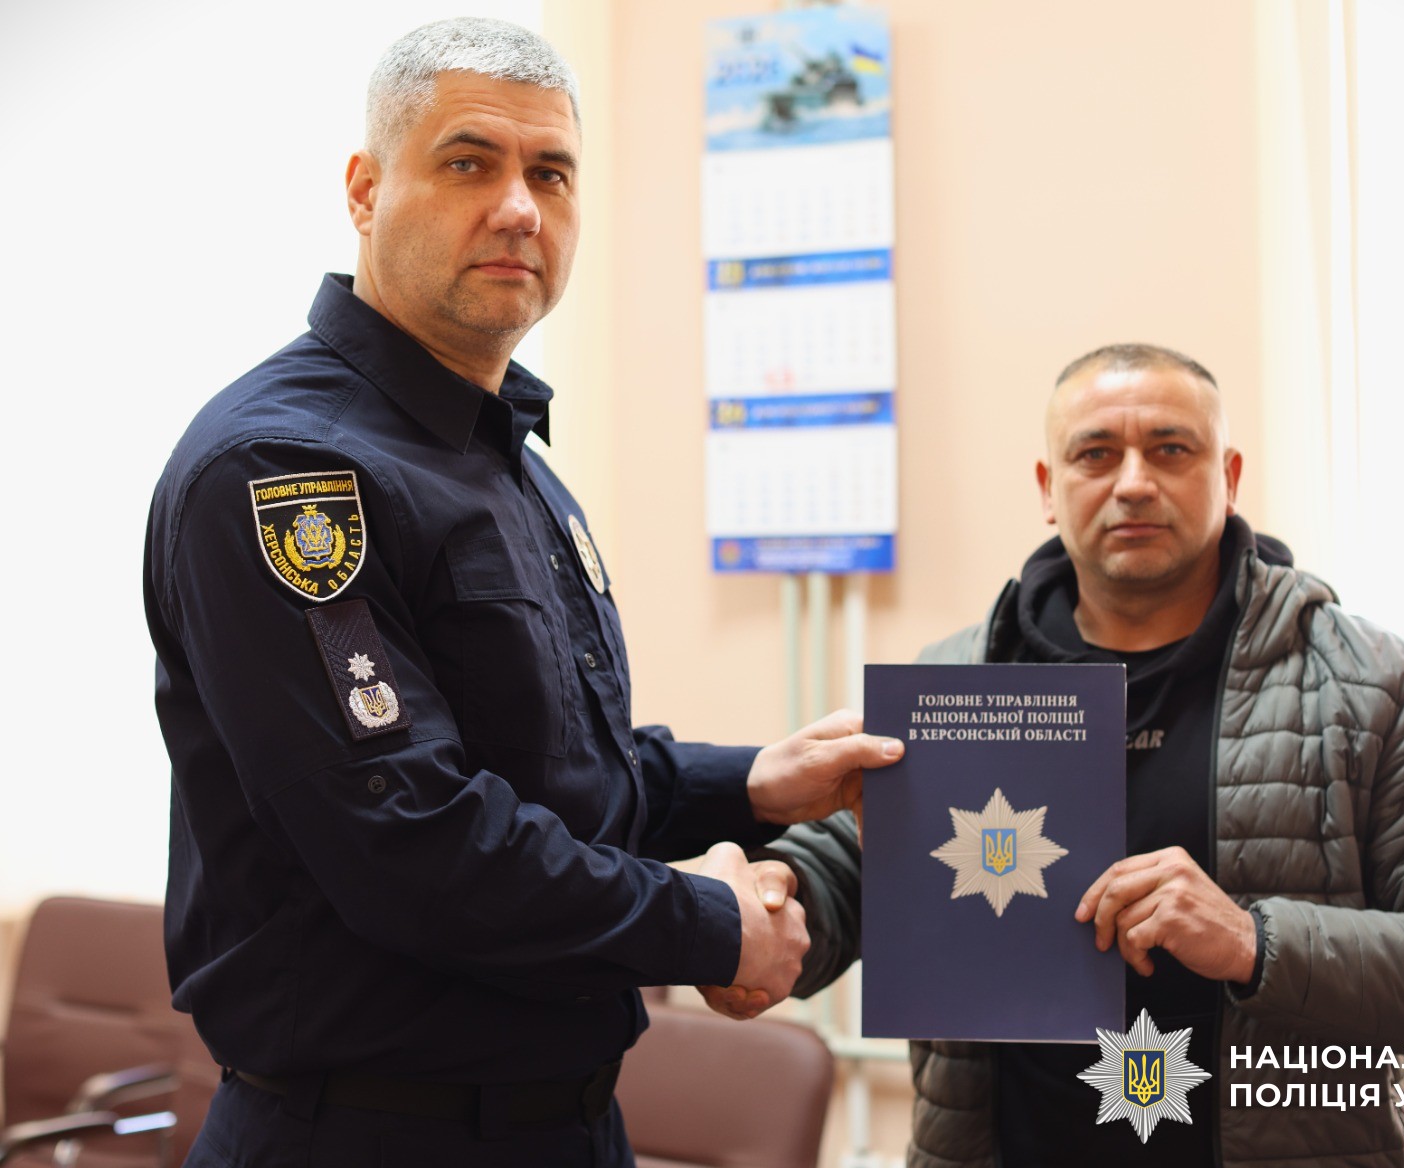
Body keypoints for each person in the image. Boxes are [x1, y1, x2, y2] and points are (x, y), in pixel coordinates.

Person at [143, 18, 901, 1166]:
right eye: (468, 163)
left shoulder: (507, 461)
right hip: (365, 1135)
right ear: (364, 189)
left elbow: (558, 776)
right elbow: (413, 841)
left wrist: (753, 783)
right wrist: (706, 923)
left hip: (569, 1123)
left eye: (551, 173)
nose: (517, 209)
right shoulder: (288, 472)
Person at [718, 343, 1404, 1167]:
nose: (1133, 482)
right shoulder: (955, 682)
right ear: (1048, 488)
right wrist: (762, 911)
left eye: (1171, 449)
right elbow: (844, 872)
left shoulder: (1371, 688)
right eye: (1096, 454)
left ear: (1229, 478)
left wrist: (1253, 942)